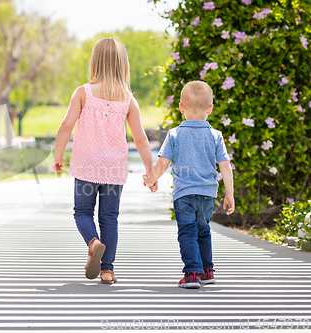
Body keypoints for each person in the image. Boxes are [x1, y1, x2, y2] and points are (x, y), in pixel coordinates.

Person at [50, 37, 156, 284]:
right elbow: (140, 139)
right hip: (114, 169)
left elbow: (66, 126)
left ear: (95, 62)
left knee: (82, 212)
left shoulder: (83, 92)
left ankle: (93, 241)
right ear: (123, 65)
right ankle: (107, 270)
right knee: (109, 217)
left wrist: (58, 156)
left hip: (86, 166)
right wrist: (151, 171)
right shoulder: (128, 99)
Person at [143, 81, 235, 289]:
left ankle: (192, 273)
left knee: (187, 232)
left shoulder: (175, 134)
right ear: (210, 109)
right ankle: (207, 271)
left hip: (184, 195)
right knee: (204, 230)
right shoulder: (215, 135)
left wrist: (150, 180)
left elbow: (162, 163)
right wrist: (229, 193)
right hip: (208, 195)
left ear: (181, 107)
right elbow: (225, 166)